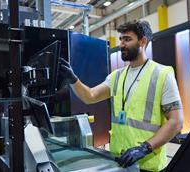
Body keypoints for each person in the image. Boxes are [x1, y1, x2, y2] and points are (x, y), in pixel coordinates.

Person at [59, 20, 183, 172]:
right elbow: (90, 96)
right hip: (119, 161)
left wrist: (144, 148)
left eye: (128, 39)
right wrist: (73, 79)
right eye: (121, 39)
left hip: (148, 165)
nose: (121, 45)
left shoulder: (162, 74)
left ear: (142, 41)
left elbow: (176, 122)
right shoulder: (117, 76)